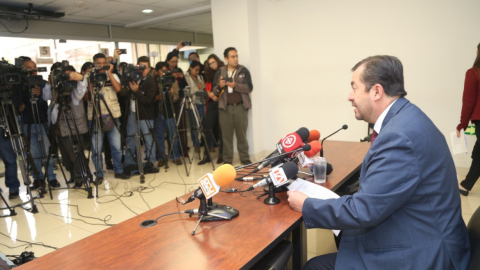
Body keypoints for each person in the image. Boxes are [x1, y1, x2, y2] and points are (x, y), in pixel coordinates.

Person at [287, 55, 470, 270]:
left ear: (376, 91)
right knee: (345, 236)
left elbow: (363, 211)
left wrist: (307, 205)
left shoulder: (399, 137)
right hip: (424, 227)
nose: (349, 96)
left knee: (315, 266)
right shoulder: (406, 116)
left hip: (425, 253)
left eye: (354, 88)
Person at [14, 59, 59, 189]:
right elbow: (17, 104)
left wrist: (39, 95)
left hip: (41, 121)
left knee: (46, 151)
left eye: (34, 67)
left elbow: (46, 100)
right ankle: (38, 178)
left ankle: (51, 178)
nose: (32, 70)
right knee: (33, 154)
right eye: (29, 68)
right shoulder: (19, 85)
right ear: (23, 69)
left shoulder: (43, 83)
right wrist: (19, 107)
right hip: (27, 123)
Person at [43, 64, 89, 188]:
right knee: (66, 157)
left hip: (74, 127)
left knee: (76, 155)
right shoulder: (57, 88)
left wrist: (80, 78)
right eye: (65, 75)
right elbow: (46, 97)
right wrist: (49, 83)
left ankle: (80, 177)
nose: (67, 78)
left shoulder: (75, 89)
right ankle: (73, 176)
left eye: (70, 75)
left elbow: (81, 91)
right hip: (59, 127)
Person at [87, 53, 129, 182]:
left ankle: (119, 170)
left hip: (112, 115)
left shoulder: (113, 75)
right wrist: (91, 83)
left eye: (104, 63)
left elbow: (118, 89)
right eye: (98, 63)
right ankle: (99, 173)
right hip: (95, 116)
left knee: (116, 146)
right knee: (96, 148)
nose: (101, 66)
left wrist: (109, 73)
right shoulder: (89, 77)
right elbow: (86, 97)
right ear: (94, 64)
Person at [213, 47, 253, 165]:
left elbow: (249, 88)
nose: (236, 59)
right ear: (226, 59)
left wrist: (236, 85)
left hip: (240, 107)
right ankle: (228, 161)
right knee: (226, 136)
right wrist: (220, 86)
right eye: (232, 57)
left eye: (236, 56)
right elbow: (214, 91)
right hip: (225, 109)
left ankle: (245, 158)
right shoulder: (220, 72)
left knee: (242, 135)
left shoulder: (243, 70)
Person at [123, 56, 158, 173]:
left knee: (148, 138)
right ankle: (130, 163)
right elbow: (123, 93)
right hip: (132, 113)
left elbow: (148, 101)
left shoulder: (151, 82)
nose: (143, 70)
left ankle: (152, 162)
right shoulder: (132, 78)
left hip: (145, 114)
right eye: (140, 67)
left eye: (145, 68)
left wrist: (136, 91)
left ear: (149, 69)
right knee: (131, 138)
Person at [457, 43, 480, 196]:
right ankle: (466, 184)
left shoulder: (474, 73)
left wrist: (462, 124)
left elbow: (469, 101)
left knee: (479, 152)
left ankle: (466, 185)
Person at [154, 62, 182, 166]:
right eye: (161, 70)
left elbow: (176, 96)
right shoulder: (154, 81)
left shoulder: (171, 80)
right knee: (159, 136)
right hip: (157, 113)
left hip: (169, 112)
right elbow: (152, 96)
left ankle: (176, 156)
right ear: (157, 72)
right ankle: (161, 157)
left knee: (173, 135)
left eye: (165, 70)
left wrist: (170, 94)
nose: (163, 73)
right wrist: (158, 96)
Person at [198, 54, 224, 165]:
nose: (212, 65)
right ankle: (207, 155)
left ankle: (222, 155)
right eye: (210, 64)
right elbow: (207, 88)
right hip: (212, 103)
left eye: (213, 62)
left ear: (217, 61)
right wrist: (211, 94)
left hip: (222, 102)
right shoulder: (208, 74)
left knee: (221, 130)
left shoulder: (223, 71)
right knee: (207, 128)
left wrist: (215, 94)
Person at [166, 48, 189, 158]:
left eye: (176, 61)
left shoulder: (179, 70)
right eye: (172, 62)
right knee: (171, 128)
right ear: (168, 62)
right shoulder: (165, 71)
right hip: (169, 101)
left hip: (180, 100)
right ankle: (172, 151)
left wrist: (182, 77)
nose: (174, 64)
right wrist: (171, 77)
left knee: (182, 125)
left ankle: (183, 149)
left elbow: (185, 86)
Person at [184, 60, 206, 154]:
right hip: (191, 104)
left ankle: (204, 142)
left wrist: (200, 87)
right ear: (191, 68)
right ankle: (196, 144)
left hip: (201, 102)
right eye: (196, 70)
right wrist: (197, 86)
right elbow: (187, 91)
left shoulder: (200, 76)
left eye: (198, 70)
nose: (197, 72)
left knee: (202, 124)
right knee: (194, 125)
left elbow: (204, 86)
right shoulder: (186, 77)